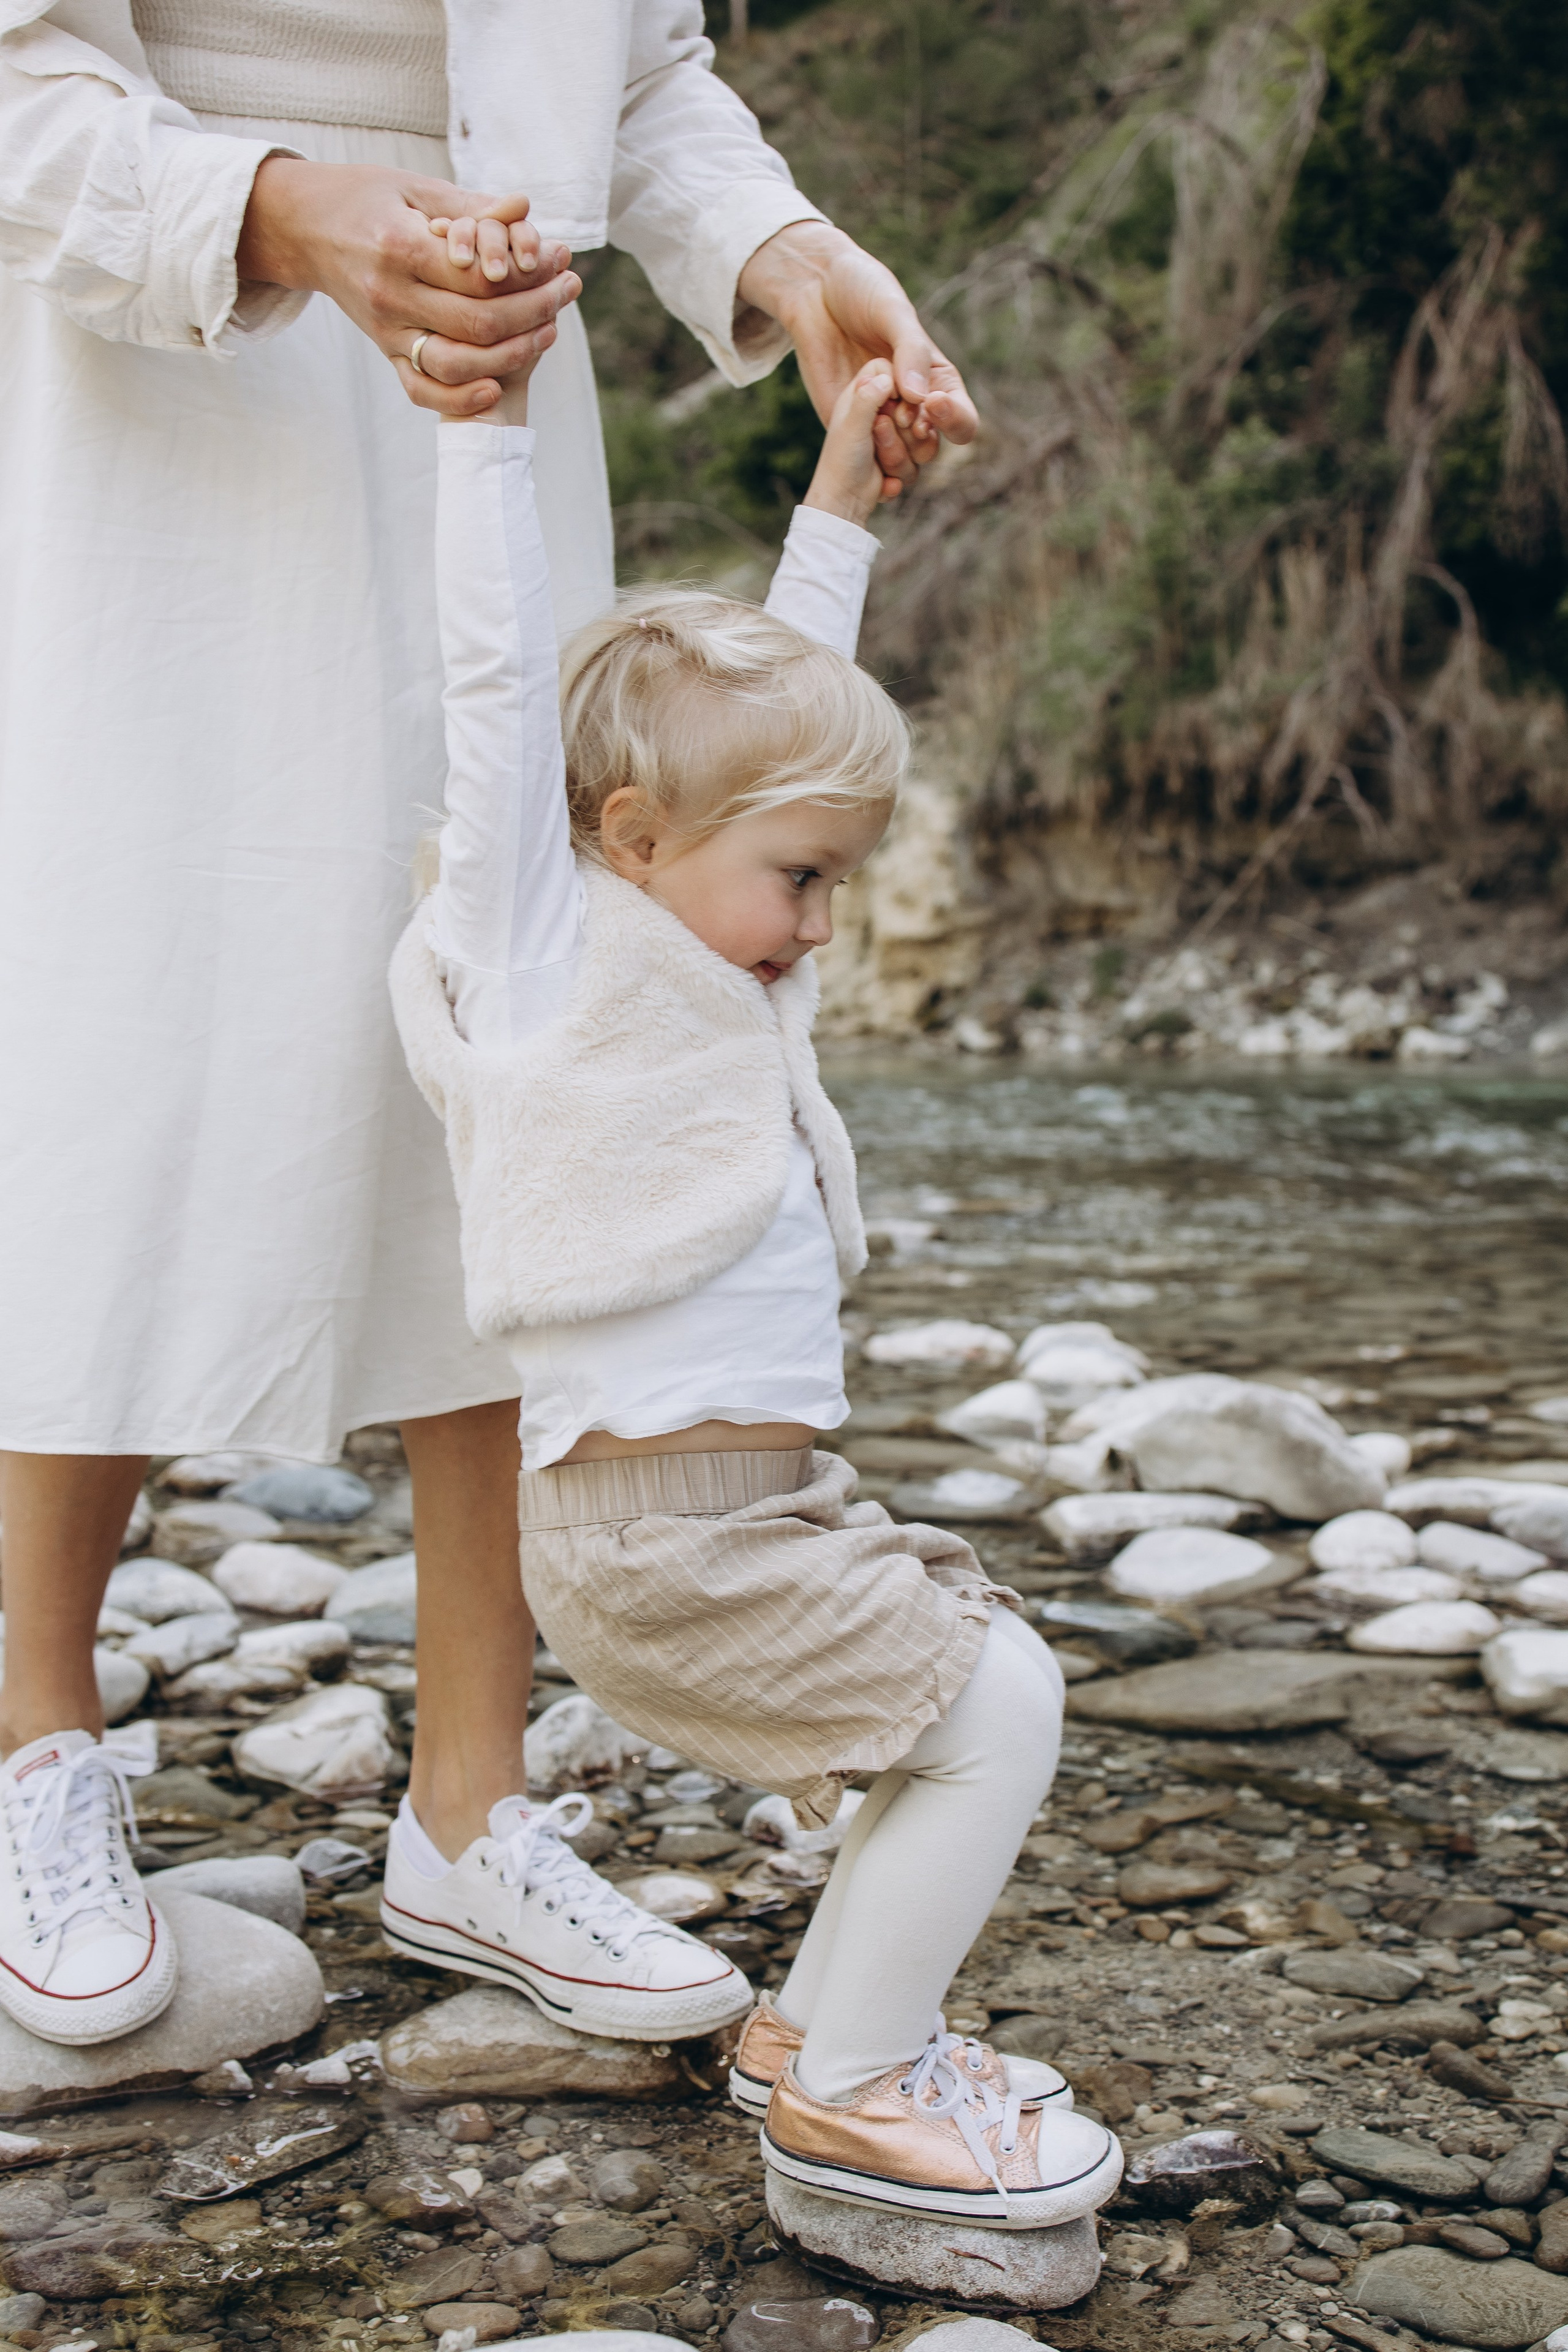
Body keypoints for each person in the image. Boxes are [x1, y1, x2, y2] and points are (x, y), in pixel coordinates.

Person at [0, 1, 976, 2043]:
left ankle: (472, 1808)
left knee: (536, 1062)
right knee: (115, 1056)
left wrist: (785, 253)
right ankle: (35, 1751)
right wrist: (289, 213)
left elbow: (641, 70)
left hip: (492, 397)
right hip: (148, 384)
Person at [385, 342, 1125, 2228]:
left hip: (764, 1510)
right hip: (662, 1540)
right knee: (1004, 1708)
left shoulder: (725, 965)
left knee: (973, 1698)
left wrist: (842, 501)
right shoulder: (547, 965)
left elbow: (782, 719)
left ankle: (817, 2032)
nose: (824, 921)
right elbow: (501, 691)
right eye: (803, 878)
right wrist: (482, 439)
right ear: (631, 843)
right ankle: (859, 2089)